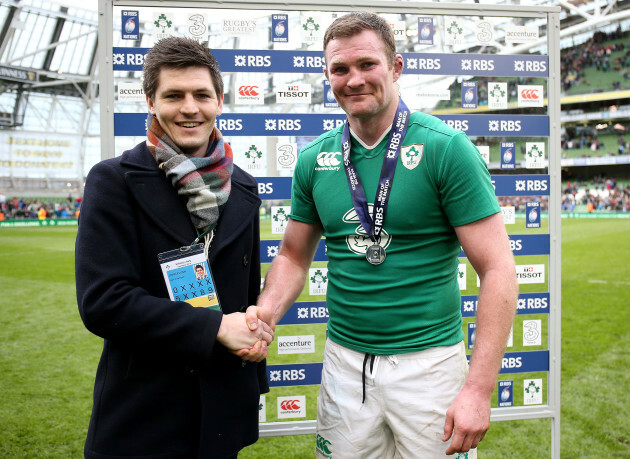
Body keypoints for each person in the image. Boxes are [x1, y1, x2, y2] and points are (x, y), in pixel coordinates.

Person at [242, 12, 518, 458]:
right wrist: (267, 315)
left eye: (367, 64)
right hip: (345, 364)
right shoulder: (314, 159)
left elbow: (498, 268)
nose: (354, 80)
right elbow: (293, 256)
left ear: (396, 67)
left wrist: (479, 389)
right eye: (340, 69)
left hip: (429, 365)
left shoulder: (445, 149)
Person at [75, 37, 273, 459]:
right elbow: (103, 302)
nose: (189, 108)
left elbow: (244, 296)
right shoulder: (114, 180)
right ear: (150, 100)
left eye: (201, 94)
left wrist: (252, 347)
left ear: (220, 100)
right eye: (173, 95)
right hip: (143, 413)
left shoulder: (243, 187)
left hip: (222, 412)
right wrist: (215, 328)